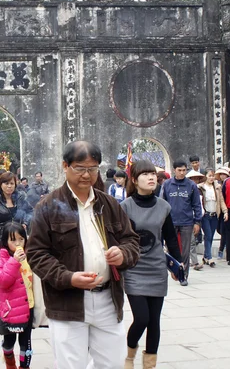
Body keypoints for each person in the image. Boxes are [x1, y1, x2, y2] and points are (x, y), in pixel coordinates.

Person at [26, 141, 140, 369]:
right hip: (68, 303)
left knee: (113, 364)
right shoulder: (48, 206)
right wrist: (68, 277)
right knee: (71, 365)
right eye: (80, 168)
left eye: (93, 168)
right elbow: (36, 253)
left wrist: (123, 253)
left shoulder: (108, 204)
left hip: (108, 299)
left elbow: (132, 240)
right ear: (65, 166)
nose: (87, 175)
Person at [120, 160, 182, 369]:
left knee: (154, 320)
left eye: (153, 174)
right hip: (134, 269)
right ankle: (129, 356)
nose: (151, 177)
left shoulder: (164, 206)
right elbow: (118, 239)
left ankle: (149, 365)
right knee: (142, 319)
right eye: (145, 174)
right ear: (135, 180)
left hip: (157, 268)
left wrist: (177, 265)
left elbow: (171, 238)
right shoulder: (125, 207)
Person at [0, 222, 34, 369]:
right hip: (10, 310)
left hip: (28, 307)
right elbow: (2, 280)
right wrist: (14, 261)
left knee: (26, 342)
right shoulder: (0, 260)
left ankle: (24, 366)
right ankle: (10, 363)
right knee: (9, 342)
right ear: (5, 242)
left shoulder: (30, 256)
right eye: (13, 240)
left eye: (21, 239)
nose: (18, 243)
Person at [160, 160, 203, 285]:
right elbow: (162, 204)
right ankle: (173, 270)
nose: (182, 173)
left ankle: (183, 275)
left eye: (184, 170)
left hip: (187, 222)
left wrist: (197, 222)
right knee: (170, 249)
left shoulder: (191, 185)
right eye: (179, 170)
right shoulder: (167, 185)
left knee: (185, 250)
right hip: (170, 222)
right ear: (174, 170)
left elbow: (197, 205)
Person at [0, 172, 32, 259]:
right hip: (0, 243)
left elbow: (30, 211)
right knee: (4, 269)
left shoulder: (20, 198)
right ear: (1, 184)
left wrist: (25, 222)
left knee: (21, 269)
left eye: (12, 183)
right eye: (6, 183)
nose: (9, 186)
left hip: (18, 242)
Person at [198, 169, 228, 267]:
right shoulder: (200, 187)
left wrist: (225, 211)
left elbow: (221, 201)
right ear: (205, 176)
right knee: (208, 235)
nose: (211, 178)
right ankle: (210, 258)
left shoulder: (217, 187)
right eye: (209, 175)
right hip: (205, 215)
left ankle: (206, 256)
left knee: (210, 236)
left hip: (215, 215)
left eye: (213, 176)